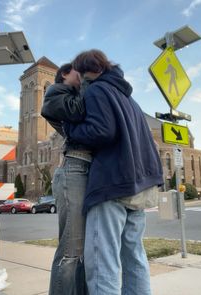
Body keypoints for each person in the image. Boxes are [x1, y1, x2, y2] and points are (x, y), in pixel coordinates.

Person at [63, 49, 164, 295]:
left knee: (103, 261)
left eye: (80, 73)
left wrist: (70, 129)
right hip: (141, 184)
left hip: (112, 184)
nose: (80, 80)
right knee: (134, 256)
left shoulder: (98, 90)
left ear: (88, 69)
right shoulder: (130, 99)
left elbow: (101, 131)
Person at [41, 63, 91, 295]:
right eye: (78, 73)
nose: (82, 77)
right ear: (64, 74)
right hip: (73, 171)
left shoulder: (72, 96)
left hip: (81, 170)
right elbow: (79, 113)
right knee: (71, 251)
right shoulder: (56, 94)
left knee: (80, 252)